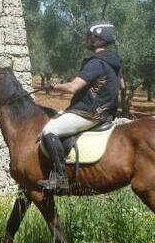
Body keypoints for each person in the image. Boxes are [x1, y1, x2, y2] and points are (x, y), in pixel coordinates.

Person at [38, 21, 123, 193]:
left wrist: (52, 87)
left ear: (99, 39)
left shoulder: (96, 62)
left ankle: (60, 179)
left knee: (49, 131)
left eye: (90, 36)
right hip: (105, 113)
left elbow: (73, 87)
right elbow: (121, 85)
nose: (87, 39)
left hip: (88, 113)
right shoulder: (115, 61)